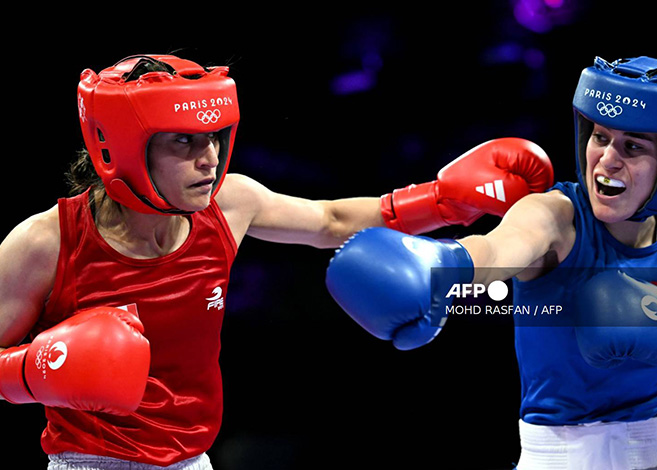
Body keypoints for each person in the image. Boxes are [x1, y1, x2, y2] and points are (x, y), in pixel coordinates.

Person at [0, 54, 555, 469]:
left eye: (214, 138)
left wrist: (443, 201)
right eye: (183, 144)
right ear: (118, 146)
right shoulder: (45, 244)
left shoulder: (230, 205)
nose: (209, 159)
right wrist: (35, 372)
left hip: (194, 461)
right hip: (86, 464)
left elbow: (331, 221)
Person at [326, 56, 657, 469]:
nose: (606, 159)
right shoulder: (556, 215)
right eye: (600, 137)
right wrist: (443, 268)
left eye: (633, 147)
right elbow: (497, 249)